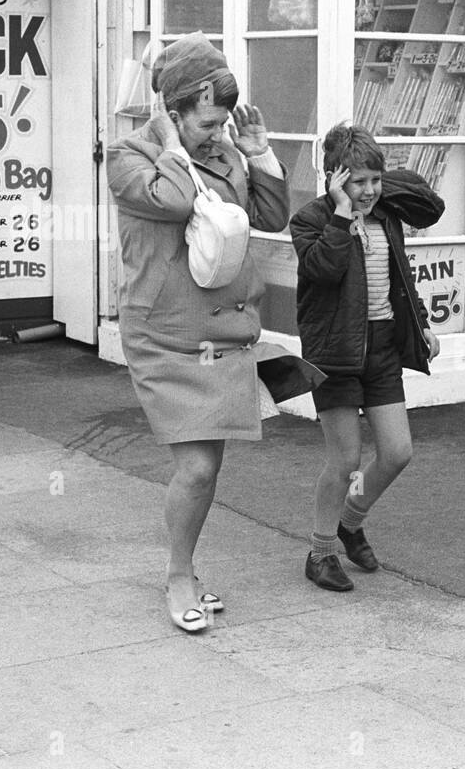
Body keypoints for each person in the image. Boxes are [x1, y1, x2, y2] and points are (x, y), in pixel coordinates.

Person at [107, 32, 318, 632]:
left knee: (209, 466)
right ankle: (178, 575)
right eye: (205, 123)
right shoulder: (129, 156)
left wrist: (258, 153)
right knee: (197, 468)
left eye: (223, 122)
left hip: (225, 335)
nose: (216, 133)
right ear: (172, 113)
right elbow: (176, 204)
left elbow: (272, 217)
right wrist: (175, 146)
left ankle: (187, 568)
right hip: (166, 337)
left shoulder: (228, 151)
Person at [290, 124, 444, 592]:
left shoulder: (386, 214)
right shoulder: (310, 220)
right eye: (358, 182)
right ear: (334, 180)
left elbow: (404, 270)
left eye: (374, 180)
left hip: (381, 349)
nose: (369, 191)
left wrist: (420, 323)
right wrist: (341, 214)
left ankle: (350, 521)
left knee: (397, 452)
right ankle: (320, 553)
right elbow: (324, 269)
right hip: (333, 353)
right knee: (345, 460)